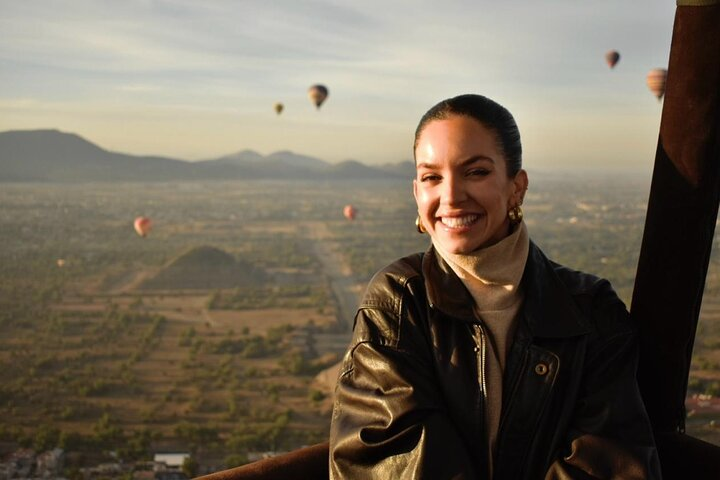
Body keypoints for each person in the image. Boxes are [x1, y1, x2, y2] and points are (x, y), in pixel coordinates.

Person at [329, 94, 662, 479]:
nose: (451, 196)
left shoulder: (591, 312)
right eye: (432, 177)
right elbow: (384, 459)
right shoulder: (398, 303)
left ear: (516, 187)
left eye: (476, 172)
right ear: (416, 193)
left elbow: (614, 461)